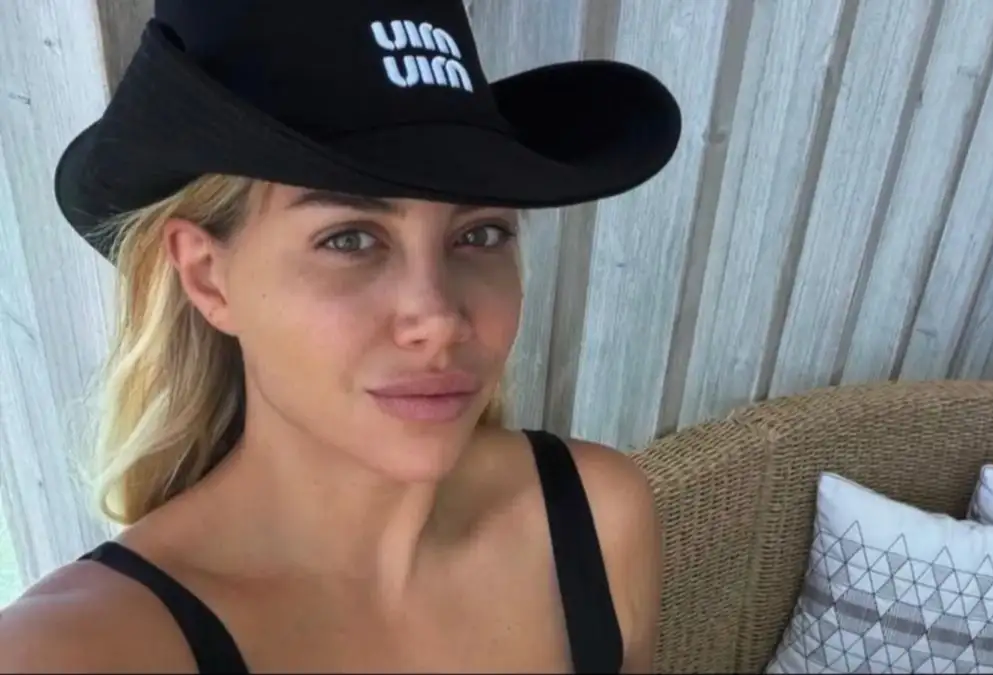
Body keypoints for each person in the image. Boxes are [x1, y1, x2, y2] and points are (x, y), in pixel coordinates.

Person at [0, 0, 681, 672]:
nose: (439, 317)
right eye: (349, 239)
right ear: (208, 277)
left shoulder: (596, 520)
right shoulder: (77, 654)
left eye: (480, 234)